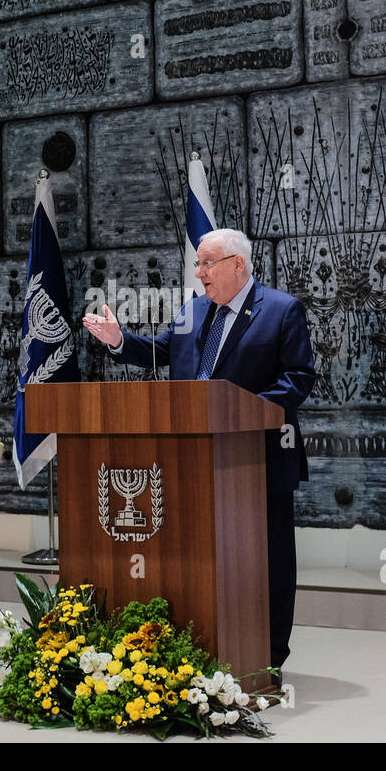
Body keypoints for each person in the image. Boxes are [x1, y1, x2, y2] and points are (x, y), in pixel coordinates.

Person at [83, 228, 316, 673]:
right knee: (202, 558)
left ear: (238, 264)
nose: (199, 272)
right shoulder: (193, 311)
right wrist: (118, 340)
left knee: (268, 562)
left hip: (257, 460)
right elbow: (160, 353)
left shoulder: (282, 310)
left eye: (207, 263)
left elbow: (297, 379)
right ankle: (207, 645)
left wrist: (237, 413)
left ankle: (266, 656)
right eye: (198, 264)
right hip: (193, 462)